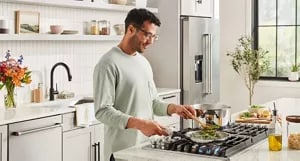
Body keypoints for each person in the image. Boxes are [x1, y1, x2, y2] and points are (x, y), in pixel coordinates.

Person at [93, 8, 196, 161]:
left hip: (145, 150)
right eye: (147, 35)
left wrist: (174, 108)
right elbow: (102, 111)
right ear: (131, 29)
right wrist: (140, 124)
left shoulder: (143, 63)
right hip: (121, 153)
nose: (151, 41)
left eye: (154, 37)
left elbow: (153, 102)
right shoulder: (108, 63)